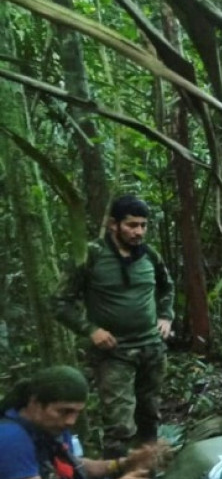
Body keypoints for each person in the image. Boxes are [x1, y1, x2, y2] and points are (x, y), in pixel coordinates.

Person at [53, 195, 174, 458]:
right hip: (114, 352)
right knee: (119, 426)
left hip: (151, 348)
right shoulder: (90, 256)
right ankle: (117, 472)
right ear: (113, 224)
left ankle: (146, 472)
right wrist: (90, 330)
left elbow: (167, 287)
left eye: (143, 225)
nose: (138, 231)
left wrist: (165, 316)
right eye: (131, 225)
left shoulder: (150, 256)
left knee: (150, 416)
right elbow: (60, 302)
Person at [0, 365, 166, 479]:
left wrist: (122, 464)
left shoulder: (51, 427)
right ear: (35, 403)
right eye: (64, 411)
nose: (71, 421)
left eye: (77, 412)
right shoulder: (11, 439)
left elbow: (74, 464)